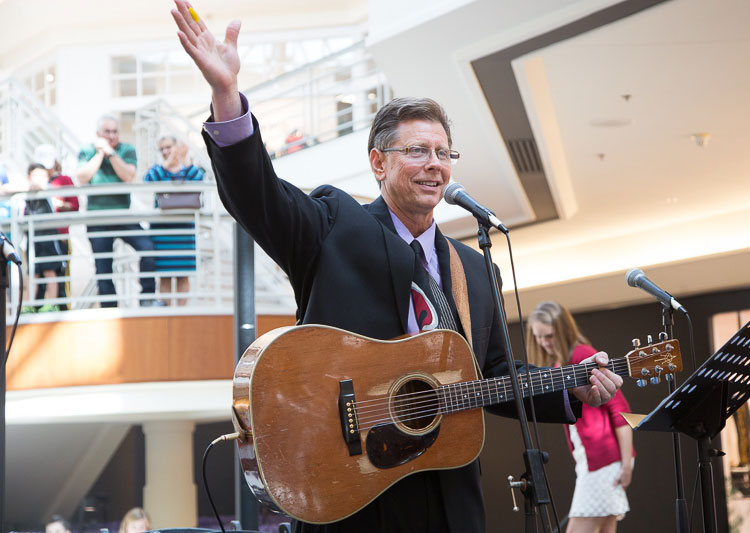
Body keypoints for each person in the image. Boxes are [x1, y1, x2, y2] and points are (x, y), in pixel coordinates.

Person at [170, 2, 623, 531]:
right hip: (353, 489)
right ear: (378, 162)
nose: (435, 163)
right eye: (418, 151)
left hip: (450, 495)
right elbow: (259, 197)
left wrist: (571, 385)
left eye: (443, 152)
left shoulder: (475, 269)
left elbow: (494, 377)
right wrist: (227, 97)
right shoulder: (335, 225)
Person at [527, 301, 635, 533]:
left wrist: (626, 463)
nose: (544, 342)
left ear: (564, 330)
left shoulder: (581, 354)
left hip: (604, 460)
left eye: (549, 335)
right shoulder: (560, 361)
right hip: (595, 460)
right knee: (606, 528)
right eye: (538, 336)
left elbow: (619, 409)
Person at [76, 114, 161, 307]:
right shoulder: (87, 150)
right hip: (97, 218)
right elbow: (82, 177)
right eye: (107, 131)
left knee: (147, 248)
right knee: (103, 265)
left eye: (115, 131)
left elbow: (128, 176)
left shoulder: (126, 150)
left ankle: (147, 297)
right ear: (98, 133)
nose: (111, 135)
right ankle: (109, 306)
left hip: (123, 215)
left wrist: (112, 154)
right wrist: (100, 154)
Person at [143, 136, 205, 305]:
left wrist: (184, 161)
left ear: (177, 147)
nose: (165, 151)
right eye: (162, 149)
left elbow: (200, 179)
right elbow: (147, 181)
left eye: (168, 147)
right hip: (162, 231)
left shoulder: (188, 169)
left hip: (183, 230)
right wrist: (167, 163)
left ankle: (182, 312)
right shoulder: (159, 170)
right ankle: (167, 310)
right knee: (164, 275)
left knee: (183, 274)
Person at [33, 144, 79, 309]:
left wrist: (55, 203)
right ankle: (37, 310)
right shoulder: (35, 181)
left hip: (59, 238)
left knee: (60, 280)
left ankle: (63, 311)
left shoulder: (64, 180)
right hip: (38, 238)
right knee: (38, 278)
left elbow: (74, 205)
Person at [22, 163, 64, 313]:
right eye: (36, 175)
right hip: (32, 240)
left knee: (50, 271)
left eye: (43, 175)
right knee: (33, 272)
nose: (39, 179)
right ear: (29, 177)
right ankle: (29, 305)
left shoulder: (49, 193)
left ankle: (52, 304)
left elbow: (59, 203)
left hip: (48, 239)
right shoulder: (25, 194)